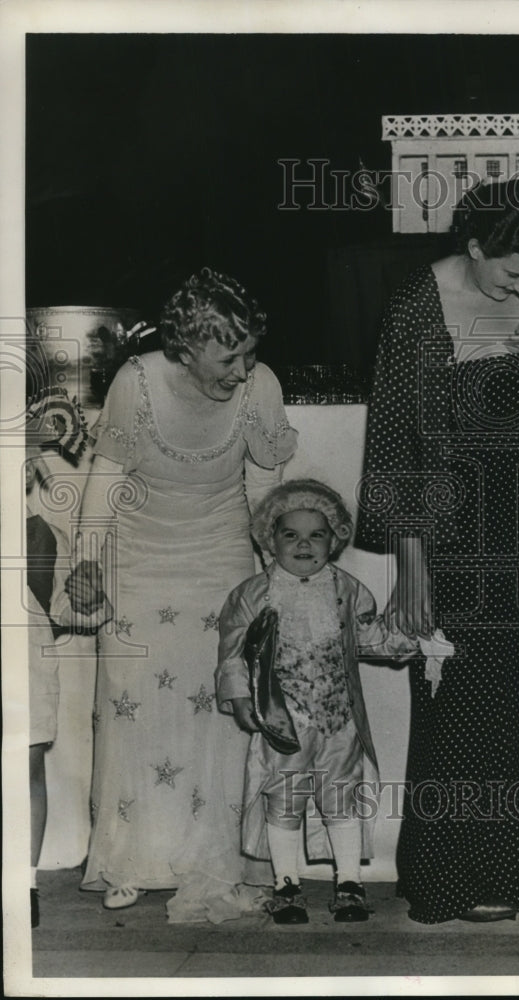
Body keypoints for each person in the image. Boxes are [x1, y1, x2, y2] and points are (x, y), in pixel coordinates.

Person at [354, 178, 519, 923]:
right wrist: (410, 567)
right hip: (451, 532)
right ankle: (446, 877)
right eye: (513, 271)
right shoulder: (417, 304)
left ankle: (510, 867)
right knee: (461, 700)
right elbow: (397, 441)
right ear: (476, 244)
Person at [69, 268, 297, 922]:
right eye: (229, 357)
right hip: (138, 561)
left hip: (220, 557)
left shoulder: (261, 387)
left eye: (250, 352)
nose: (242, 368)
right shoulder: (135, 384)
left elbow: (264, 493)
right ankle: (127, 861)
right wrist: (86, 564)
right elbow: (105, 482)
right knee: (133, 711)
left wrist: (274, 576)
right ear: (185, 348)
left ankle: (214, 857)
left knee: (218, 714)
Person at [216, 479, 442, 924]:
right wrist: (239, 696)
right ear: (270, 539)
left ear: (334, 540)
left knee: (341, 798)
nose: (304, 545)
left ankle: (349, 883)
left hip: (340, 721)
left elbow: (372, 635)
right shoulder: (252, 594)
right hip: (282, 721)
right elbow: (232, 652)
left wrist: (411, 641)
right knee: (284, 799)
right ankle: (286, 885)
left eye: (316, 535)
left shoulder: (346, 589)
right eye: (291, 535)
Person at [25, 390, 106, 928]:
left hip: (25, 670)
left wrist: (88, 597)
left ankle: (22, 882)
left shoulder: (40, 535)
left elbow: (69, 610)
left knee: (25, 769)